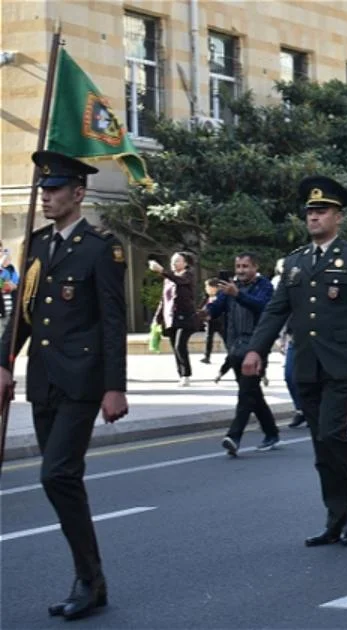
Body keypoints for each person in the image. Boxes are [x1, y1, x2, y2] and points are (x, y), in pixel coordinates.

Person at [0, 151, 129, 620]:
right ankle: (91, 580)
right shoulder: (36, 245)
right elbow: (23, 314)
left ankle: (89, 579)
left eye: (53, 190)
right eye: (43, 189)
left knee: (56, 474)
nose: (45, 196)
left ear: (78, 193)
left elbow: (113, 322)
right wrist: (4, 363)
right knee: (63, 479)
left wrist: (115, 386)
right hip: (44, 379)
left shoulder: (101, 248)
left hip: (83, 380)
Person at [243, 175, 347, 547]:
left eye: (321, 211)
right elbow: (276, 311)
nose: (313, 218)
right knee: (320, 445)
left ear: (338, 216)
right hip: (306, 364)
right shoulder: (294, 263)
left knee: (332, 435)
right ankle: (335, 514)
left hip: (343, 363)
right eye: (309, 212)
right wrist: (255, 349)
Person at [207, 253, 280, 455]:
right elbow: (218, 308)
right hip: (235, 347)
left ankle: (234, 436)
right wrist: (206, 310)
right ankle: (271, 432)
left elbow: (263, 307)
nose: (240, 270)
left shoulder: (264, 286)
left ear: (255, 267)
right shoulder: (230, 287)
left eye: (245, 266)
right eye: (238, 266)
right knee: (252, 393)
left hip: (256, 348)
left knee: (246, 393)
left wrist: (238, 294)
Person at [150, 251, 197, 386]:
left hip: (186, 316)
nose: (174, 263)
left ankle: (186, 374)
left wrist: (161, 270)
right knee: (174, 347)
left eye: (177, 260)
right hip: (170, 317)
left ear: (185, 263)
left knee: (180, 345)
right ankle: (180, 374)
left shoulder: (188, 275)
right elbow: (163, 300)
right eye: (172, 261)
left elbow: (180, 281)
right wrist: (157, 318)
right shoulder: (168, 279)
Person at [200, 278, 225, 364]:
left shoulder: (221, 295)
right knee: (208, 339)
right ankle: (207, 357)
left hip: (220, 321)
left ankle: (235, 354)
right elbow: (204, 307)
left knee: (226, 338)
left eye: (207, 287)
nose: (206, 289)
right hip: (210, 321)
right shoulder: (208, 296)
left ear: (214, 287)